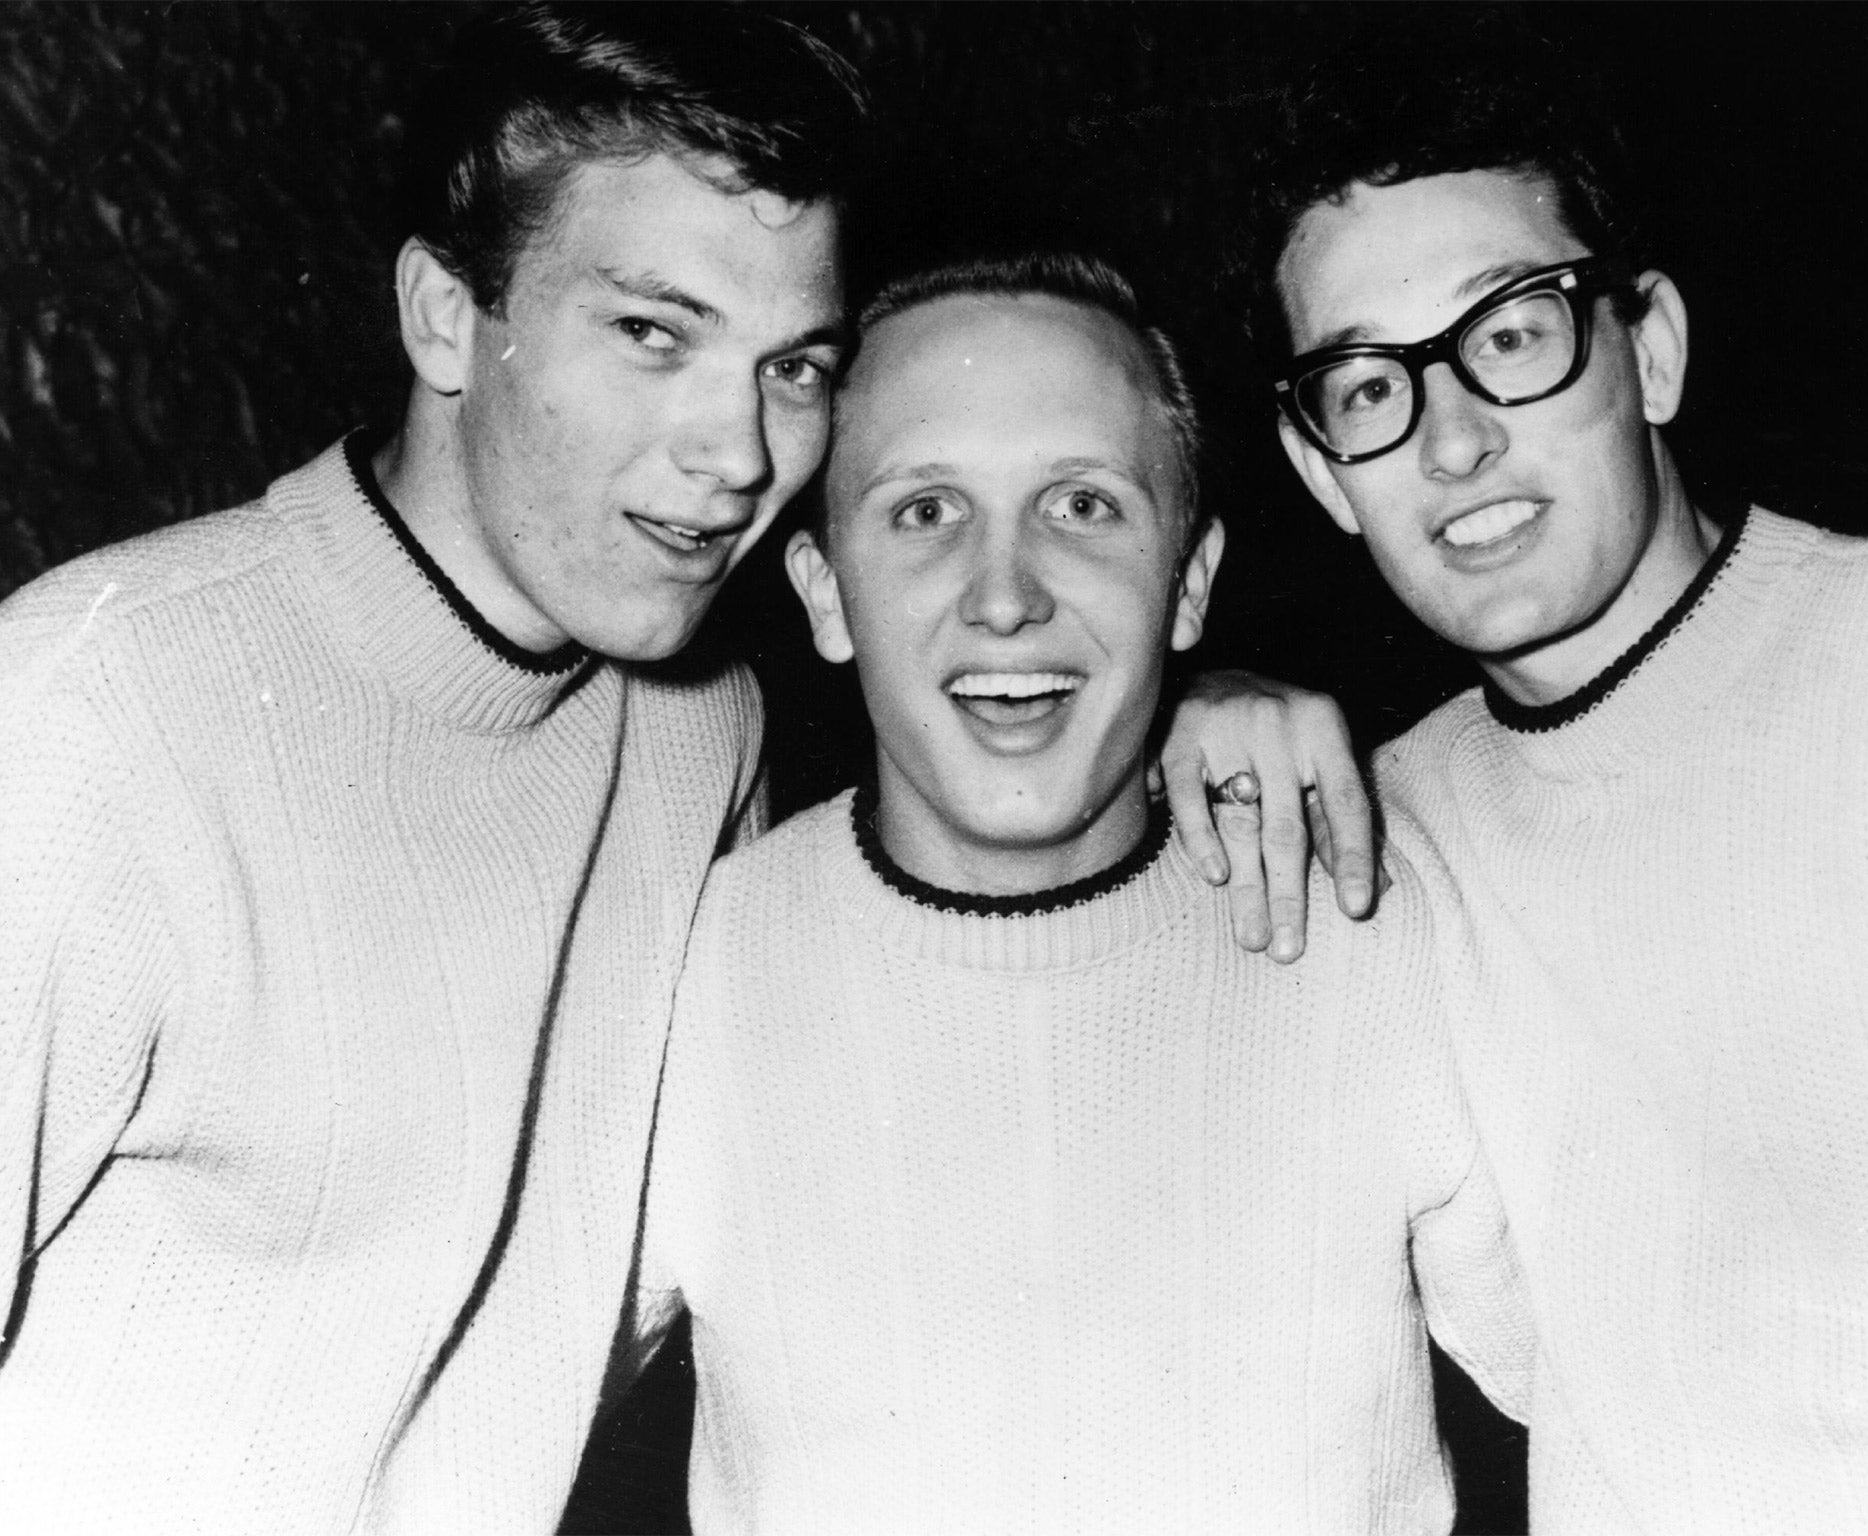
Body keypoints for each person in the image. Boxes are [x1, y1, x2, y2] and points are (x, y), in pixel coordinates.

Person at [1167, 27, 1868, 1535]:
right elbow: (1515, 1349)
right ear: (1322, 472)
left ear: (1651, 350)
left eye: (1509, 334)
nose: (1450, 439)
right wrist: (1184, 704)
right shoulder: (1382, 833)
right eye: (1368, 388)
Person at [0, 7, 861, 1530]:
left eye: (794, 366)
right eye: (652, 334)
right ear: (445, 317)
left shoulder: (702, 723)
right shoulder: (91, 711)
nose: (738, 451)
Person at [632, 252, 1530, 1534]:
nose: (1005, 598)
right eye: (925, 512)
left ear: (1192, 583)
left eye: (1083, 506)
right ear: (825, 594)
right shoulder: (687, 967)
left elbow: (1635, 1374)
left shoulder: (1373, 915)